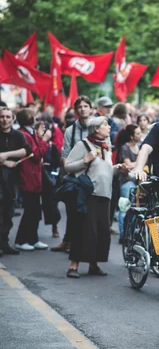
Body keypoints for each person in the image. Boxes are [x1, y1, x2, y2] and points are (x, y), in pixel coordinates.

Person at [65, 117, 124, 278]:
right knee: (83, 229)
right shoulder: (83, 145)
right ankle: (73, 266)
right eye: (105, 125)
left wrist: (118, 168)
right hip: (88, 194)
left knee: (101, 231)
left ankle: (93, 264)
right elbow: (68, 165)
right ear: (96, 129)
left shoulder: (106, 147)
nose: (108, 127)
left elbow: (105, 171)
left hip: (105, 194)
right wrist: (85, 160)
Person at [53, 96, 94, 254]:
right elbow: (65, 155)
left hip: (93, 176)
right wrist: (71, 170)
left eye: (86, 106)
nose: (83, 109)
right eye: (80, 107)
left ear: (90, 108)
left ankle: (83, 244)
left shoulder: (98, 127)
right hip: (75, 175)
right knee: (72, 211)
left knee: (88, 212)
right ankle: (68, 241)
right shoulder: (71, 130)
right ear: (76, 110)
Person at [15, 109, 51, 251]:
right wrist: (45, 140)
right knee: (31, 209)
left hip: (34, 175)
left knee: (35, 209)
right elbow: (36, 154)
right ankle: (21, 239)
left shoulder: (29, 132)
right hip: (28, 175)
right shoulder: (25, 134)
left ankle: (32, 238)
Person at [0, 106, 31, 256]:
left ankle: (4, 243)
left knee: (8, 213)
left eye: (7, 117)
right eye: (2, 116)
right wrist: (5, 162)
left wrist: (6, 155)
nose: (4, 120)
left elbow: (27, 150)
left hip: (11, 180)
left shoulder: (18, 135)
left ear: (12, 119)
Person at [114, 125, 141, 241]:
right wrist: (141, 161)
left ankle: (131, 233)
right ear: (131, 136)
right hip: (127, 181)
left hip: (138, 181)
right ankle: (123, 234)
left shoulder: (139, 147)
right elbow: (128, 165)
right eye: (138, 133)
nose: (140, 135)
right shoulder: (125, 148)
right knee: (124, 207)